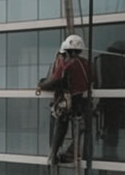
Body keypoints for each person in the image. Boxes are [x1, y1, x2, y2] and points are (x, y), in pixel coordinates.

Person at [38, 34, 94, 165]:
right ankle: (72, 153)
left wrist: (41, 84)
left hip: (70, 103)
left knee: (57, 118)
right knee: (79, 128)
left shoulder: (66, 65)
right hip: (82, 103)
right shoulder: (87, 64)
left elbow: (56, 79)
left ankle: (53, 154)